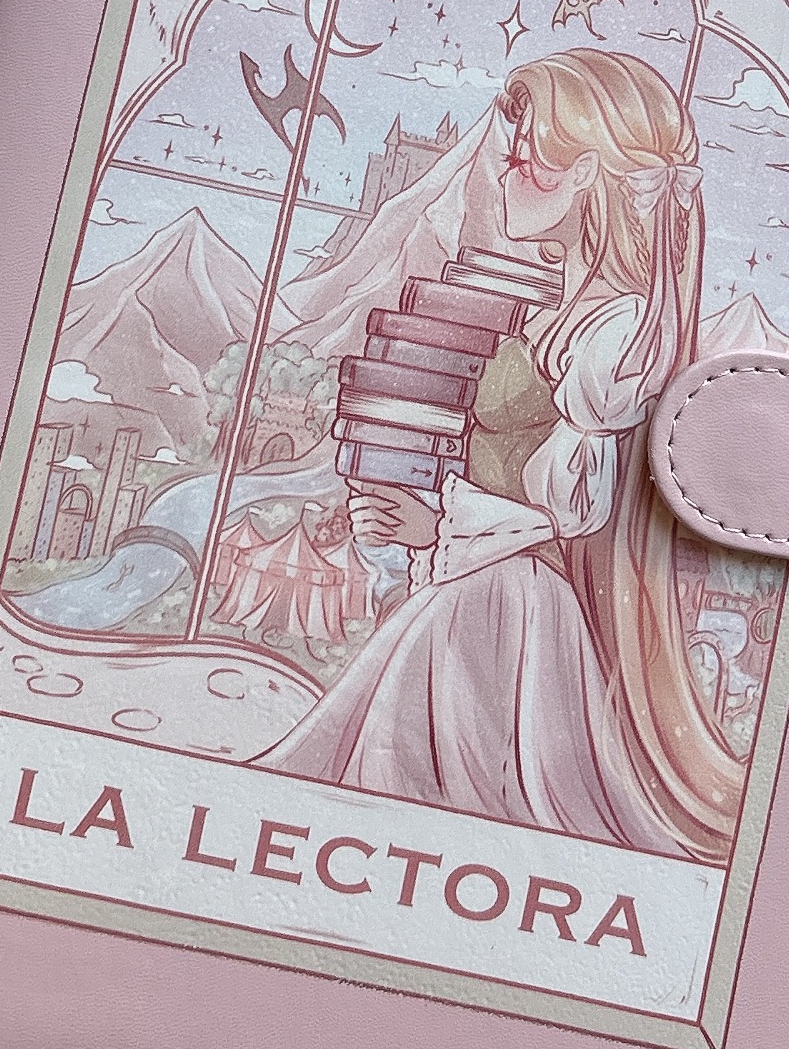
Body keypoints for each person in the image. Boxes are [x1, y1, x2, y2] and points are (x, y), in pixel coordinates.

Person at [258, 49, 745, 863]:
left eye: (525, 158)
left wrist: (434, 522)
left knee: (410, 796)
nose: (505, 171)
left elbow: (570, 510)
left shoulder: (616, 335)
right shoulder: (566, 310)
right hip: (483, 585)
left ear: (586, 175)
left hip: (511, 603)